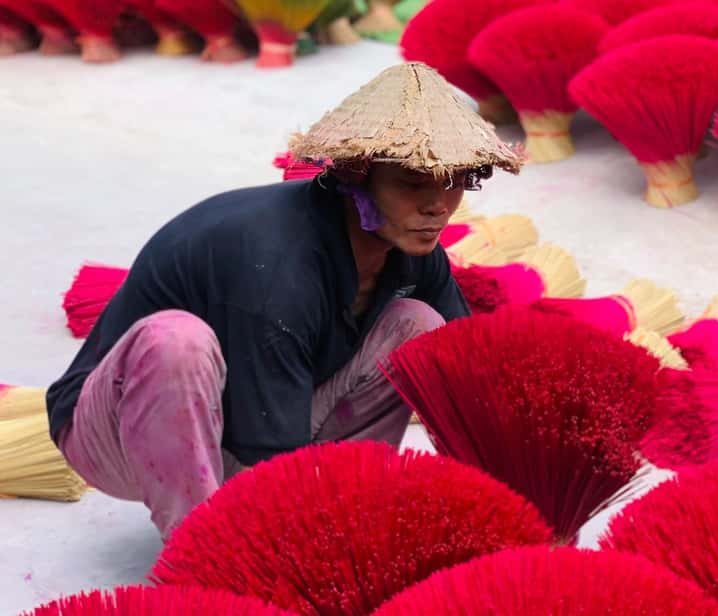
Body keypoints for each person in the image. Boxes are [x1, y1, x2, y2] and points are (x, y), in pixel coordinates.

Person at [44, 63, 524, 539]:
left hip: (248, 417)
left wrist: (509, 503)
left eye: (455, 180)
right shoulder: (280, 266)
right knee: (176, 342)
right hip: (119, 429)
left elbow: (466, 374)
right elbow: (271, 463)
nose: (438, 205)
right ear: (358, 174)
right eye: (412, 183)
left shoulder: (414, 250)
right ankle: (200, 553)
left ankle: (353, 510)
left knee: (418, 325)